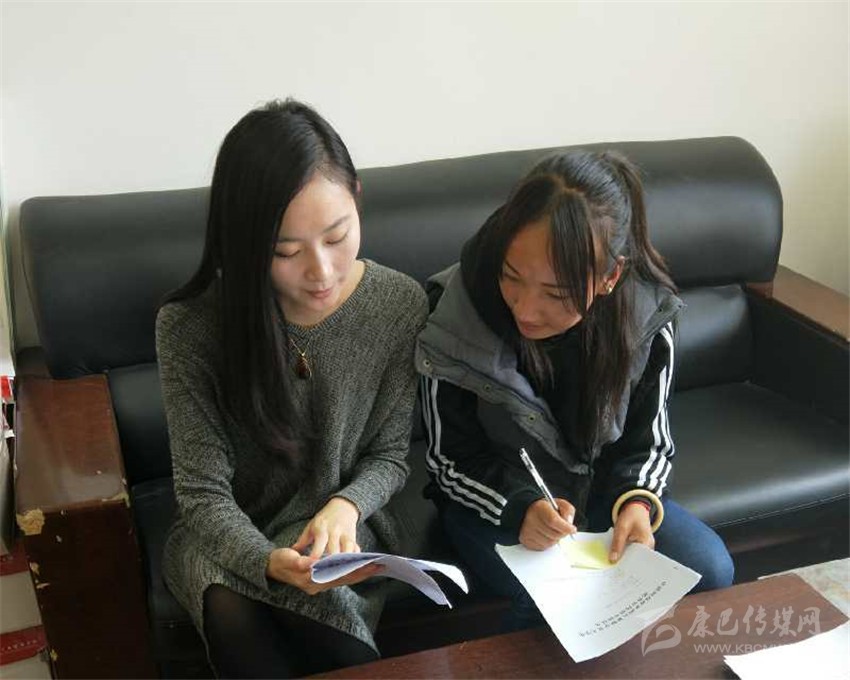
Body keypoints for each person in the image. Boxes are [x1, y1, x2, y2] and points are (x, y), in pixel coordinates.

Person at [156, 99, 428, 677]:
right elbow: (202, 494)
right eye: (285, 251)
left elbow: (389, 456)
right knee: (233, 612)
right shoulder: (191, 327)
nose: (321, 272)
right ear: (244, 242)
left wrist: (344, 506)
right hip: (224, 528)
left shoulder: (398, 304)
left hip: (336, 522)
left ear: (357, 197)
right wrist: (266, 561)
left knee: (324, 620)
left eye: (337, 236)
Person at [416, 149, 734, 630]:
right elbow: (448, 459)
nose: (525, 309)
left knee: (709, 567)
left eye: (557, 293)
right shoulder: (452, 314)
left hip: (600, 493)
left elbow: (648, 442)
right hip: (491, 504)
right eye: (511, 276)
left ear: (610, 277)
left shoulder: (649, 316)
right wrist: (520, 509)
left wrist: (637, 503)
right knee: (549, 595)